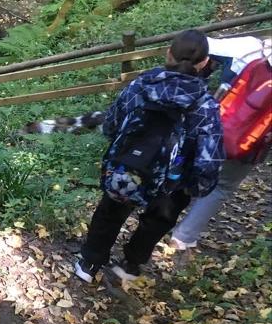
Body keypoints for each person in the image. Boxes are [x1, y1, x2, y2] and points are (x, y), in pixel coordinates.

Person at [71, 30, 224, 286]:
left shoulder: (141, 86)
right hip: (173, 181)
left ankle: (89, 263)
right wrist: (196, 188)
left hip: (129, 166)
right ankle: (130, 264)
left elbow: (112, 124)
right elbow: (209, 158)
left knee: (110, 213)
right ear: (205, 63)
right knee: (157, 221)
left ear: (168, 53)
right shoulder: (206, 107)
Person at [168, 36, 272, 250]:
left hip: (212, 126)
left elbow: (198, 43)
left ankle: (160, 218)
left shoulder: (249, 47)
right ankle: (183, 237)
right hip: (249, 144)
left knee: (185, 169)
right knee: (222, 187)